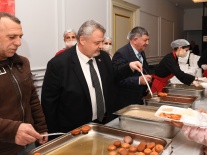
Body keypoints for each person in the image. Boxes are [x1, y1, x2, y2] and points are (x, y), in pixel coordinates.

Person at [41, 20, 142, 136]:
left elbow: (112, 75)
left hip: (104, 123)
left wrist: (129, 67)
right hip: (75, 129)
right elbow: (49, 104)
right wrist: (53, 134)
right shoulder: (59, 64)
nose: (101, 46)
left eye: (102, 42)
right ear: (82, 40)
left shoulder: (103, 57)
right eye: (97, 43)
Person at [0, 12, 48, 154]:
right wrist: (13, 129)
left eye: (20, 37)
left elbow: (32, 98)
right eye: (12, 37)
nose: (19, 43)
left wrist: (41, 126)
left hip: (28, 143)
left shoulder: (23, 62)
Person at [112, 26, 152, 110]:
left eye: (148, 40)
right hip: (126, 101)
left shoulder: (141, 52)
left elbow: (144, 69)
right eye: (145, 40)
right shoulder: (121, 53)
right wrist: (138, 80)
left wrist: (148, 83)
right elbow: (117, 79)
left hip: (139, 98)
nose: (147, 43)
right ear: (135, 40)